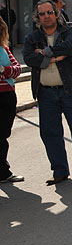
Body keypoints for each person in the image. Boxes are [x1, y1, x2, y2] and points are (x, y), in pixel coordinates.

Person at [22, 0, 72, 186]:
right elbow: (29, 58)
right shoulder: (32, 37)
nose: (46, 16)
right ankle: (60, 171)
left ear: (56, 14)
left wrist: (43, 53)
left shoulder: (67, 32)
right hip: (45, 94)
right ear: (38, 17)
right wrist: (53, 58)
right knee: (50, 133)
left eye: (49, 12)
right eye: (42, 14)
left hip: (70, 91)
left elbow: (71, 48)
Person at [0, 17, 22, 183]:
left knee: (3, 134)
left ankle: (3, 171)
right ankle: (3, 171)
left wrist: (2, 69)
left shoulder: (4, 49)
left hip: (7, 96)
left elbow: (17, 69)